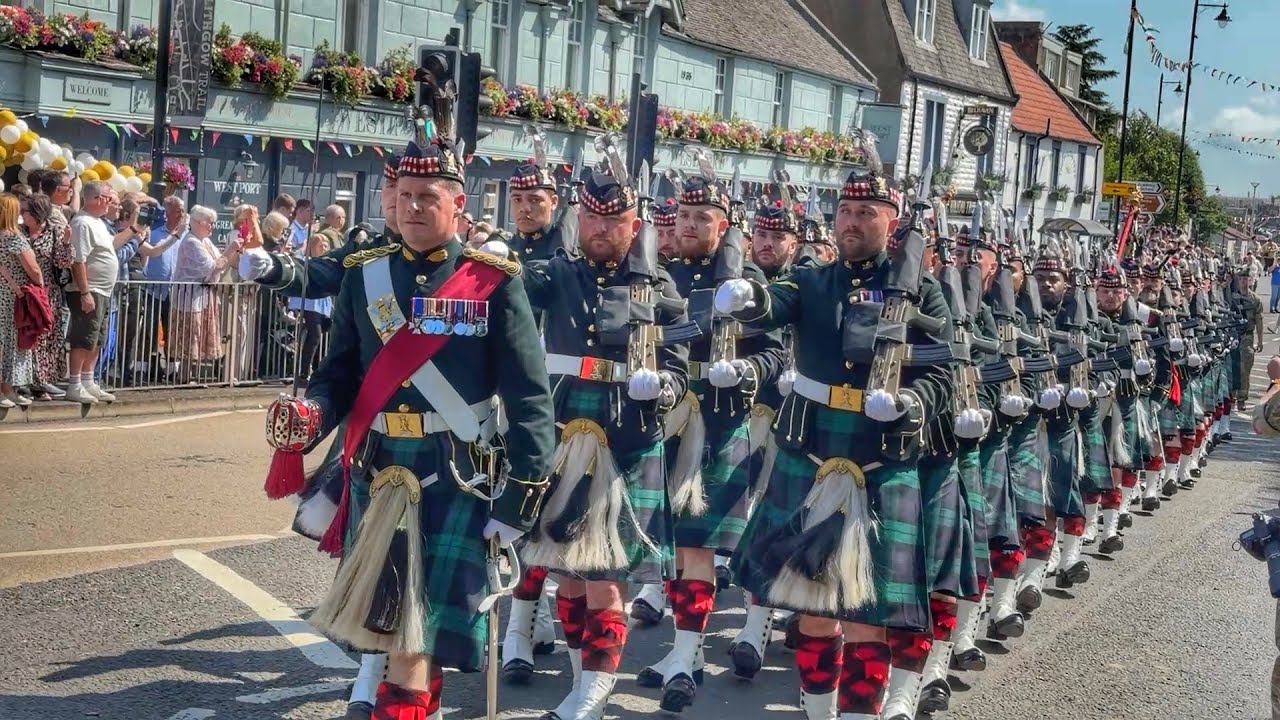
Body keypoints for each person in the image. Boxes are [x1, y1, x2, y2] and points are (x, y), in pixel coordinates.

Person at [291, 128, 555, 719]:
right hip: (380, 467)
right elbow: (338, 376)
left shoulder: (493, 281)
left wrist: (521, 498)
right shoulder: (365, 275)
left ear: (458, 204)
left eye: (428, 196)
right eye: (404, 194)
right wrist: (312, 414)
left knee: (416, 637)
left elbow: (530, 398)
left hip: (454, 471)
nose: (413, 206)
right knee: (394, 630)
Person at [717, 167, 954, 720]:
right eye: (846, 212)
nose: (851, 222)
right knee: (812, 608)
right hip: (812, 450)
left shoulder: (923, 291)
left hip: (879, 454)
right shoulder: (814, 280)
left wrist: (910, 405)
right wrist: (748, 294)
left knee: (867, 612)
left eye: (865, 212)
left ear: (891, 222)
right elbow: (775, 304)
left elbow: (946, 371)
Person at [515, 159, 690, 720]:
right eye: (591, 218)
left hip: (627, 437)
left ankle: (593, 692)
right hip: (565, 429)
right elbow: (518, 288)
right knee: (565, 573)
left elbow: (681, 363)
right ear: (577, 217)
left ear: (634, 224)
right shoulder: (557, 270)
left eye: (613, 222)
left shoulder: (658, 282)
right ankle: (579, 680)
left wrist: (663, 385)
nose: (600, 230)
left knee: (604, 577)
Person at [169, 206, 241, 384]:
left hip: (203, 296)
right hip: (189, 298)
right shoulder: (191, 242)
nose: (212, 227)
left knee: (199, 334)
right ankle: (184, 376)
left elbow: (222, 262)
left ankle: (191, 374)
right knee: (190, 334)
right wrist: (230, 249)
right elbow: (212, 266)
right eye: (210, 223)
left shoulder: (205, 242)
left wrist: (236, 252)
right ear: (199, 222)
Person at [65, 181, 121, 404]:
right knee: (83, 337)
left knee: (96, 338)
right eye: (108, 199)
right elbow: (79, 260)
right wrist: (85, 291)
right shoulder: (82, 223)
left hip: (103, 291)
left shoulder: (98, 223)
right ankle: (75, 384)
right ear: (95, 198)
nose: (110, 204)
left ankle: (88, 380)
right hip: (90, 290)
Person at [22, 194, 71, 401]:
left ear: (37, 213)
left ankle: (42, 381)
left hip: (46, 292)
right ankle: (24, 381)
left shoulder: (54, 231)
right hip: (22, 291)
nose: (21, 214)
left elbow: (63, 262)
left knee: (45, 338)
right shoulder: (19, 231)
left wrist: (67, 242)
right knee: (25, 336)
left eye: (25, 211)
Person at [0, 193, 42, 408]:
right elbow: (33, 268)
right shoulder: (13, 237)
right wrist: (41, 284)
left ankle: (8, 391)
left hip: (4, 293)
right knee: (10, 343)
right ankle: (6, 390)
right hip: (12, 297)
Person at [289, 234, 334, 386]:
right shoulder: (307, 262)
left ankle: (315, 370)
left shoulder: (327, 263)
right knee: (314, 334)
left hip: (322, 303)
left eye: (326, 244)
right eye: (321, 245)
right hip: (308, 303)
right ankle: (303, 372)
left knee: (321, 334)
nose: (324, 247)